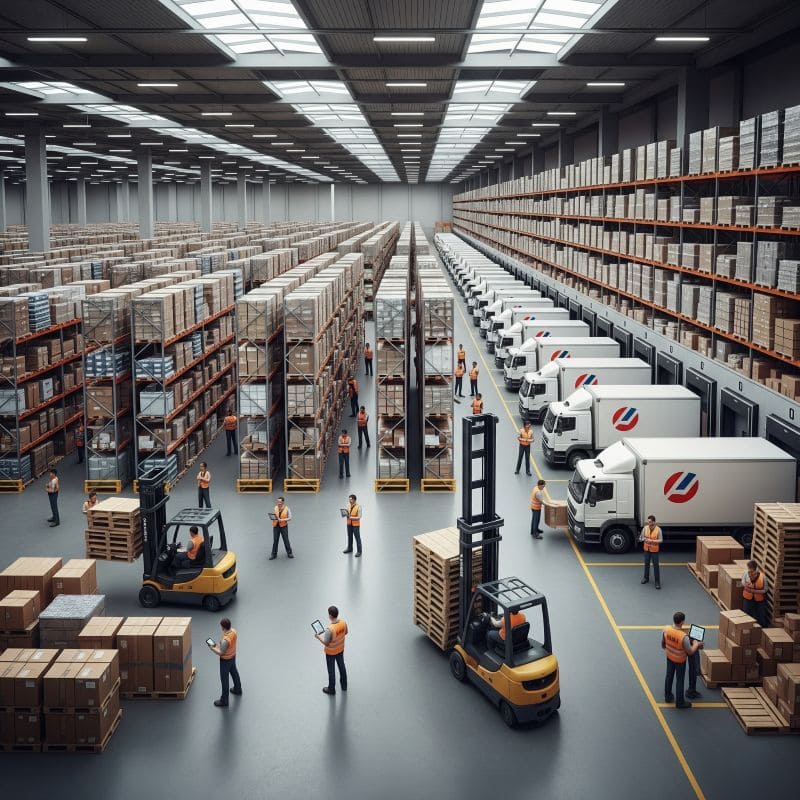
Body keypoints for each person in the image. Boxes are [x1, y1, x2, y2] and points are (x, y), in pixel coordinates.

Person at [662, 611, 703, 709]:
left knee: (669, 676)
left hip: (669, 657)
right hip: (680, 660)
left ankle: (668, 696)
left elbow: (663, 644)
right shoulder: (683, 637)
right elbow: (690, 652)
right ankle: (680, 702)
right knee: (680, 680)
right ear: (682, 622)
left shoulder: (666, 629)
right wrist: (696, 644)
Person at [208, 617, 242, 708]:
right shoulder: (234, 631)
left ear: (223, 627)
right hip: (233, 656)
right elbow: (224, 646)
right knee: (234, 672)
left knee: (224, 680)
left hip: (225, 660)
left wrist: (212, 648)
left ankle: (224, 700)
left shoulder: (225, 640)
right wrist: (218, 645)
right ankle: (238, 689)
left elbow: (221, 652)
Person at [316, 605, 348, 696]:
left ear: (330, 616)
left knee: (331, 671)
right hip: (340, 649)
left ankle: (331, 689)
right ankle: (344, 685)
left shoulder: (329, 629)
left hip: (331, 652)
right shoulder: (343, 623)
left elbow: (326, 643)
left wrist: (318, 637)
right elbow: (346, 632)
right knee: (342, 666)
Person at [741, 560, 768, 627]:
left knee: (761, 616)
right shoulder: (745, 574)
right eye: (749, 570)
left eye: (752, 571)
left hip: (759, 600)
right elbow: (742, 582)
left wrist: (754, 591)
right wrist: (746, 585)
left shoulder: (763, 577)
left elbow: (765, 590)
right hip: (747, 598)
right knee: (746, 615)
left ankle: (762, 630)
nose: (749, 572)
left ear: (756, 569)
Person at [639, 514, 662, 590]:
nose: (649, 523)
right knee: (646, 564)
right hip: (646, 550)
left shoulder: (658, 530)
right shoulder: (645, 528)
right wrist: (643, 539)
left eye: (650, 522)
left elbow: (661, 540)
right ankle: (646, 578)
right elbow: (641, 537)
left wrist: (651, 540)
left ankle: (657, 582)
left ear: (654, 522)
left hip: (654, 551)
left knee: (656, 566)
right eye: (648, 521)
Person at [269, 496, 293, 560]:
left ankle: (289, 552)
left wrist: (282, 520)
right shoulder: (275, 507)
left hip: (283, 526)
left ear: (283, 502)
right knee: (275, 540)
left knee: (286, 539)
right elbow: (275, 515)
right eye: (278, 502)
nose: (279, 503)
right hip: (276, 526)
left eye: (280, 502)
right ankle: (273, 554)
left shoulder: (287, 508)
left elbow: (290, 517)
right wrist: (273, 518)